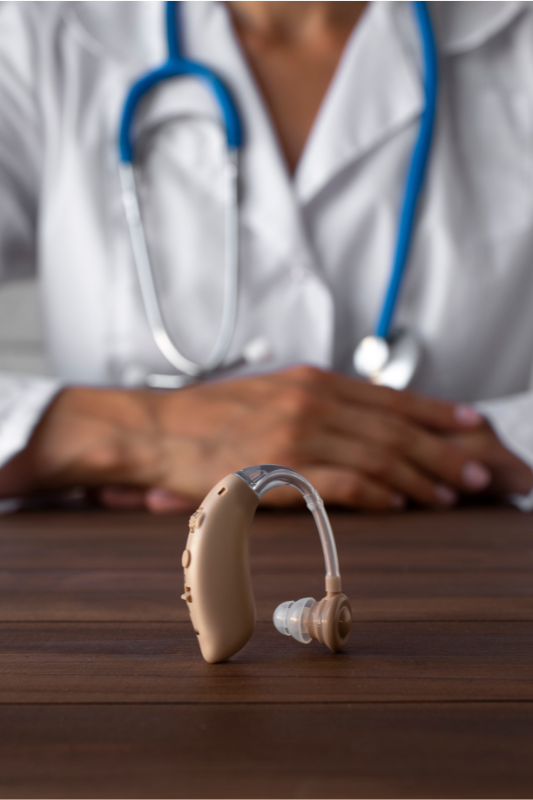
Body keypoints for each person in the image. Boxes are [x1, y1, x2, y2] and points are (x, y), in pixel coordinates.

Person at [0, 0, 532, 513]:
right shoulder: (37, 39)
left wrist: (468, 447)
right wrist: (141, 433)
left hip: (471, 559)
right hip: (128, 564)